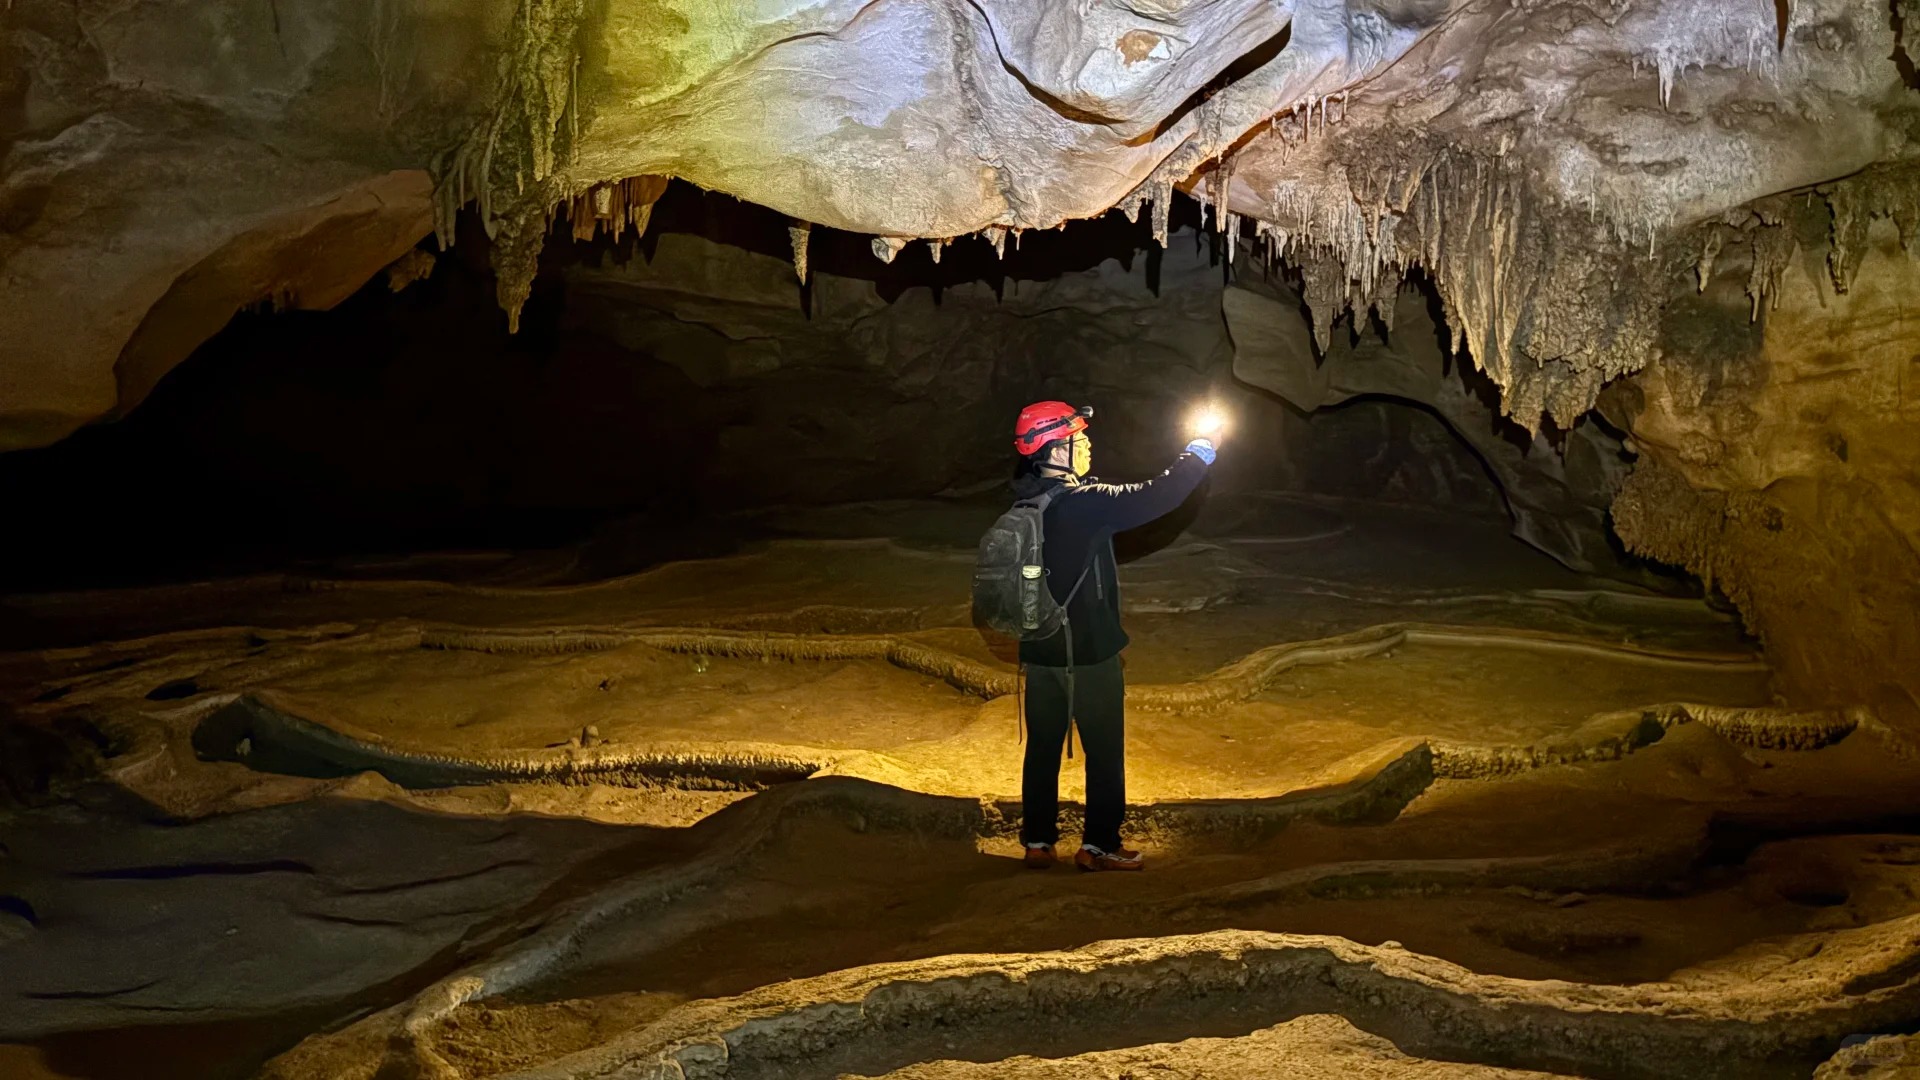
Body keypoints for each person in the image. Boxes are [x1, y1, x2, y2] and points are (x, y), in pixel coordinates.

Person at [1008, 401, 1220, 872]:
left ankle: (1038, 841)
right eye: (1078, 439)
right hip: (1088, 652)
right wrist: (1200, 451)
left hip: (1039, 650)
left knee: (1042, 748)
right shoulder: (1085, 503)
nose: (1087, 446)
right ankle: (1099, 845)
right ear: (1055, 450)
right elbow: (1158, 495)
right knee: (1104, 751)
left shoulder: (1024, 506)